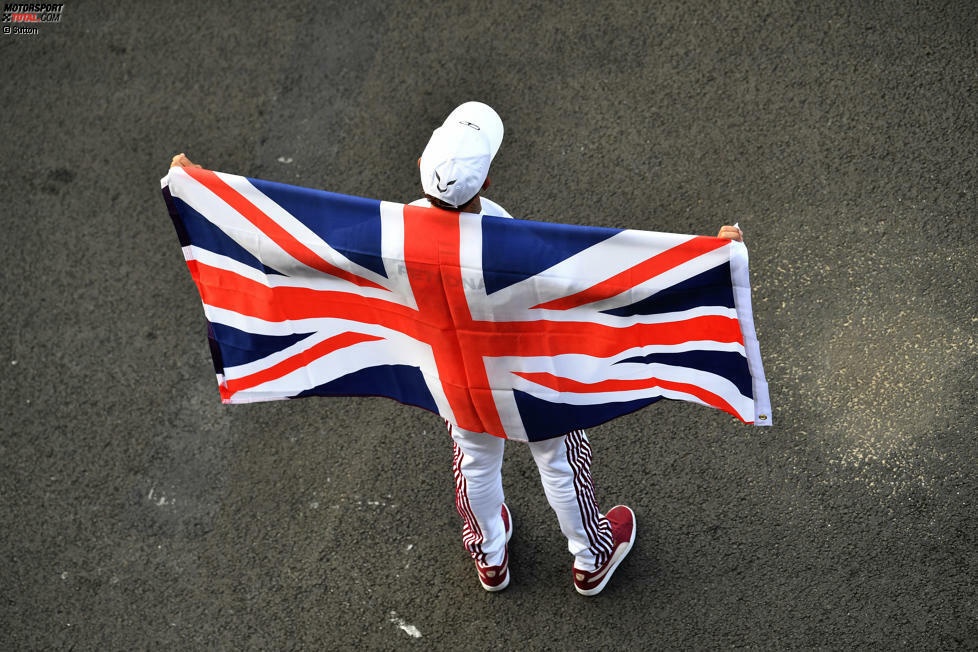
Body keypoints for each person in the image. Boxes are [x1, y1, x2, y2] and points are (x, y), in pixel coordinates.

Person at [168, 104, 742, 597]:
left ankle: (489, 553)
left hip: (452, 379)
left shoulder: (388, 234)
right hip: (528, 380)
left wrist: (197, 187)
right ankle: (591, 557)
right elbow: (605, 279)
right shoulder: (510, 239)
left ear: (421, 166)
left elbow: (292, 241)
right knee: (563, 462)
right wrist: (710, 260)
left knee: (474, 459)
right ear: (487, 183)